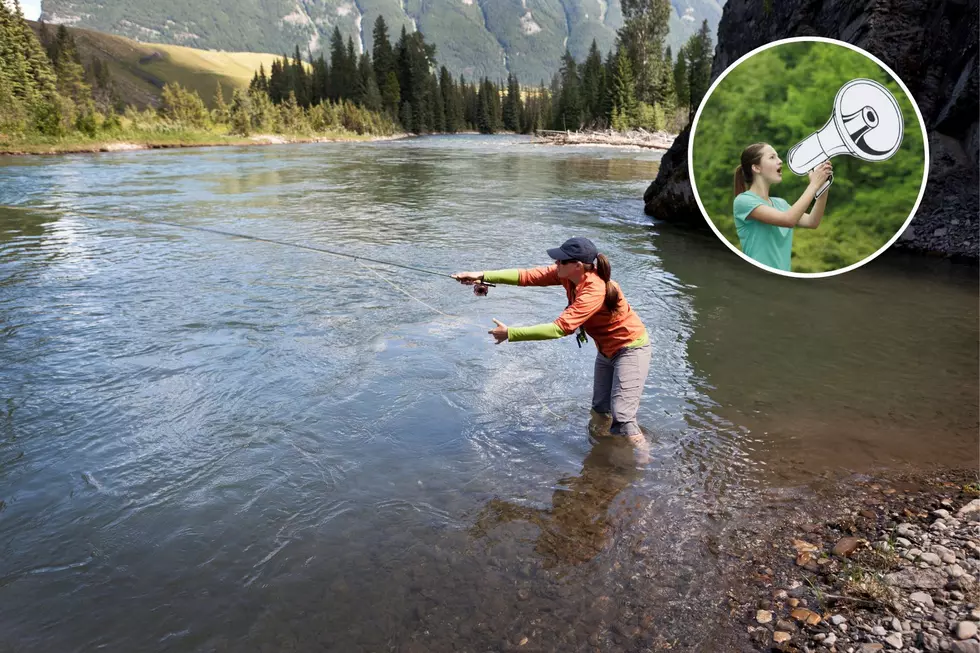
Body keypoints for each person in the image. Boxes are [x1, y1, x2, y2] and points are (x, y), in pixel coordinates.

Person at [452, 237, 651, 457]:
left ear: (577, 265)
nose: (556, 264)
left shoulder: (593, 289)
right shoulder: (568, 275)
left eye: (561, 261)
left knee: (623, 417)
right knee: (600, 409)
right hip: (606, 351)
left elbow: (561, 328)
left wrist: (511, 334)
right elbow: (526, 276)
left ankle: (645, 462)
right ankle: (604, 453)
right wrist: (480, 275)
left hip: (630, 349)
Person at [732, 142, 833, 271]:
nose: (780, 161)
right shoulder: (744, 201)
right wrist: (813, 185)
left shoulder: (780, 204)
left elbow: (812, 222)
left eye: (778, 157)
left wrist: (823, 186)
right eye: (772, 157)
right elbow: (788, 220)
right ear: (756, 168)